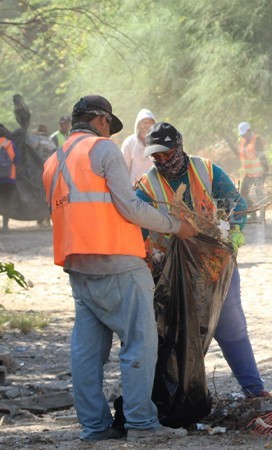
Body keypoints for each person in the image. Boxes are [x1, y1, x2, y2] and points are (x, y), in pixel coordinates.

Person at [41, 95, 195, 442]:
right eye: (108, 125)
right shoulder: (103, 150)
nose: (108, 131)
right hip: (118, 261)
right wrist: (174, 224)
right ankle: (141, 425)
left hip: (77, 264)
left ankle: (95, 427)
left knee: (87, 351)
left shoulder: (53, 161)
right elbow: (129, 208)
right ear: (100, 120)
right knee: (140, 342)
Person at [136, 121, 267, 398]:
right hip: (174, 274)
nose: (162, 161)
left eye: (167, 154)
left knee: (230, 325)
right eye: (156, 156)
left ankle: (254, 389)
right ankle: (185, 395)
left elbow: (238, 205)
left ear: (179, 147)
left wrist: (235, 236)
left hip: (215, 265)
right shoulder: (148, 186)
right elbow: (137, 225)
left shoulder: (205, 170)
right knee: (181, 335)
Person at [236, 121, 268, 220]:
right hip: (247, 173)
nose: (243, 136)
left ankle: (262, 217)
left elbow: (262, 155)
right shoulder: (242, 141)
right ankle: (252, 215)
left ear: (249, 131)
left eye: (244, 133)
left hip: (258, 173)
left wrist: (265, 168)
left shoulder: (256, 140)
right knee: (243, 194)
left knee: (259, 195)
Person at [122, 109, 156, 185]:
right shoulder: (129, 142)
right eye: (144, 122)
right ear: (139, 124)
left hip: (155, 188)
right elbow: (123, 168)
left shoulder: (159, 141)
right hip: (135, 189)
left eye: (149, 122)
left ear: (154, 124)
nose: (147, 125)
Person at [0, 124, 16, 232]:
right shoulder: (10, 143)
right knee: (7, 201)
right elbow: (17, 159)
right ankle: (5, 225)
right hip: (9, 178)